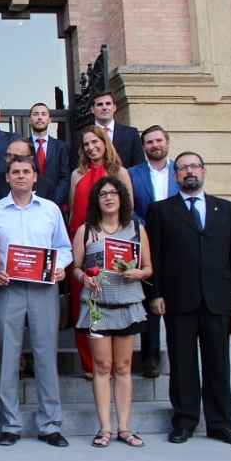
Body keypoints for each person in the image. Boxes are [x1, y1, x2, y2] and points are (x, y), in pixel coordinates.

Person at [146, 152, 231, 446]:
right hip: (178, 298)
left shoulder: (226, 209)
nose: (189, 172)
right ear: (175, 176)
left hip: (219, 297)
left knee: (218, 362)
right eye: (182, 168)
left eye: (193, 166)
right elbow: (156, 257)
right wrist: (156, 294)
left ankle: (219, 424)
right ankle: (185, 421)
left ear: (204, 171)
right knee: (182, 363)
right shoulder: (160, 210)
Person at [0, 155, 72, 448]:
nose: (21, 176)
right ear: (7, 177)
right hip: (8, 289)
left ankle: (50, 425)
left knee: (46, 355)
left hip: (43, 289)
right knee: (8, 356)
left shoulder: (50, 210)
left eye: (26, 171)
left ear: (35, 177)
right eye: (15, 172)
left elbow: (64, 247)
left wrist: (61, 266)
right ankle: (10, 424)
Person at [71, 177, 152, 448]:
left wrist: (138, 272)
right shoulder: (86, 231)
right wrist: (84, 278)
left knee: (123, 366)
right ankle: (105, 428)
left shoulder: (137, 229)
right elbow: (76, 267)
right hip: (98, 307)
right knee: (102, 367)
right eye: (103, 194)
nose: (108, 198)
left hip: (128, 305)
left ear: (122, 198)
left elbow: (148, 267)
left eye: (113, 193)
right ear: (96, 200)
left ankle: (124, 428)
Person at [69, 126, 133, 379]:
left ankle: (115, 363)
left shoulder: (120, 173)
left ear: (105, 142)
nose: (91, 147)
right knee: (83, 302)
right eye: (86, 144)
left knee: (112, 299)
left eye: (95, 142)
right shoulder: (77, 174)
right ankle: (90, 364)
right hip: (83, 242)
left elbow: (127, 212)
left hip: (112, 243)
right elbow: (74, 212)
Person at [128, 125, 178, 379]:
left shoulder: (181, 172)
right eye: (149, 142)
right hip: (146, 242)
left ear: (167, 143)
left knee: (177, 301)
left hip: (178, 245)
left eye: (159, 140)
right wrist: (147, 226)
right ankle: (151, 358)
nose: (154, 145)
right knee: (151, 300)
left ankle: (179, 353)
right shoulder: (132, 173)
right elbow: (129, 208)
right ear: (144, 147)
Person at [71, 91, 145, 169]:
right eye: (100, 104)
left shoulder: (131, 134)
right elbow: (77, 167)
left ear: (114, 107)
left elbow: (139, 167)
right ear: (92, 109)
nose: (104, 108)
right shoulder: (80, 136)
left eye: (108, 103)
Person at [0, 138, 57, 206]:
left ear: (30, 159)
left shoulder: (46, 185)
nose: (10, 160)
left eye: (16, 156)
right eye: (8, 156)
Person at [28, 103, 71, 207]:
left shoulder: (61, 146)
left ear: (50, 120)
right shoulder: (24, 146)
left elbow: (65, 177)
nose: (39, 117)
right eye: (35, 114)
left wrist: (53, 201)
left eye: (43, 114)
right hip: (28, 203)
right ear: (29, 120)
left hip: (55, 203)